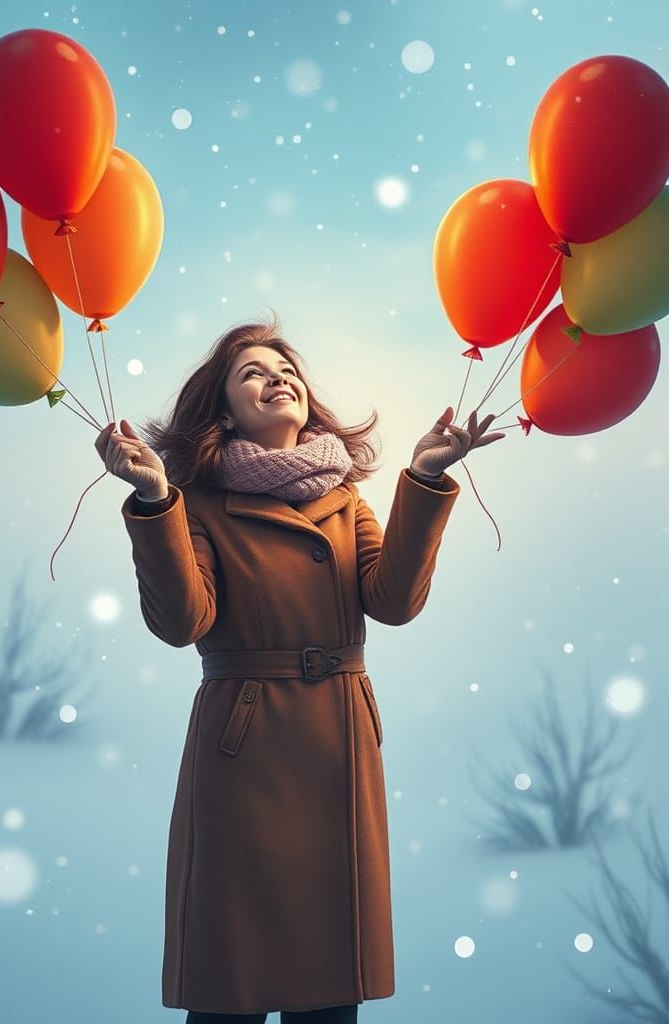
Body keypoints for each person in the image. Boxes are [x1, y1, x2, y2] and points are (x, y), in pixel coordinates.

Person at [93, 315, 505, 1024]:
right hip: (243, 754)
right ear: (224, 410)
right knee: (232, 981)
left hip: (337, 748)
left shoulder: (348, 501)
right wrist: (157, 498)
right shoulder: (201, 505)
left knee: (327, 990)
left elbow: (394, 602)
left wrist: (425, 478)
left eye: (285, 370)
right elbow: (181, 621)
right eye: (251, 372)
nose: (276, 378)